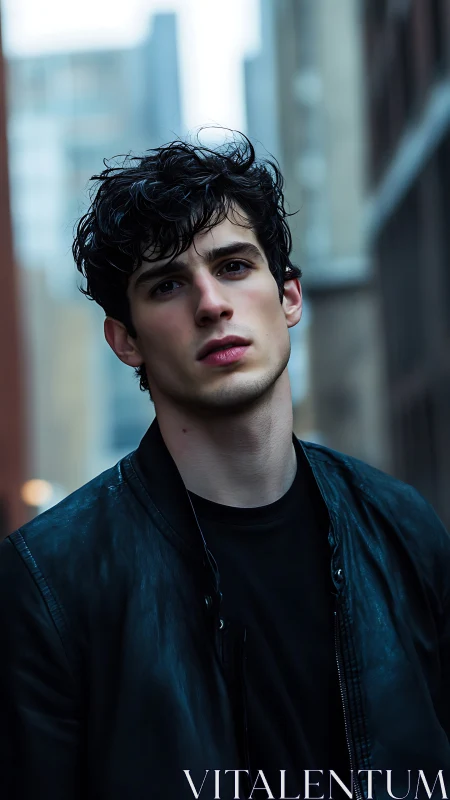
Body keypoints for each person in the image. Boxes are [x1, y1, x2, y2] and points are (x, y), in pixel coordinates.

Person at [1, 132, 450, 800]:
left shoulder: (403, 528)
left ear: (289, 297)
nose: (210, 303)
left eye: (235, 266)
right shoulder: (48, 583)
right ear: (125, 340)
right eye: (168, 284)